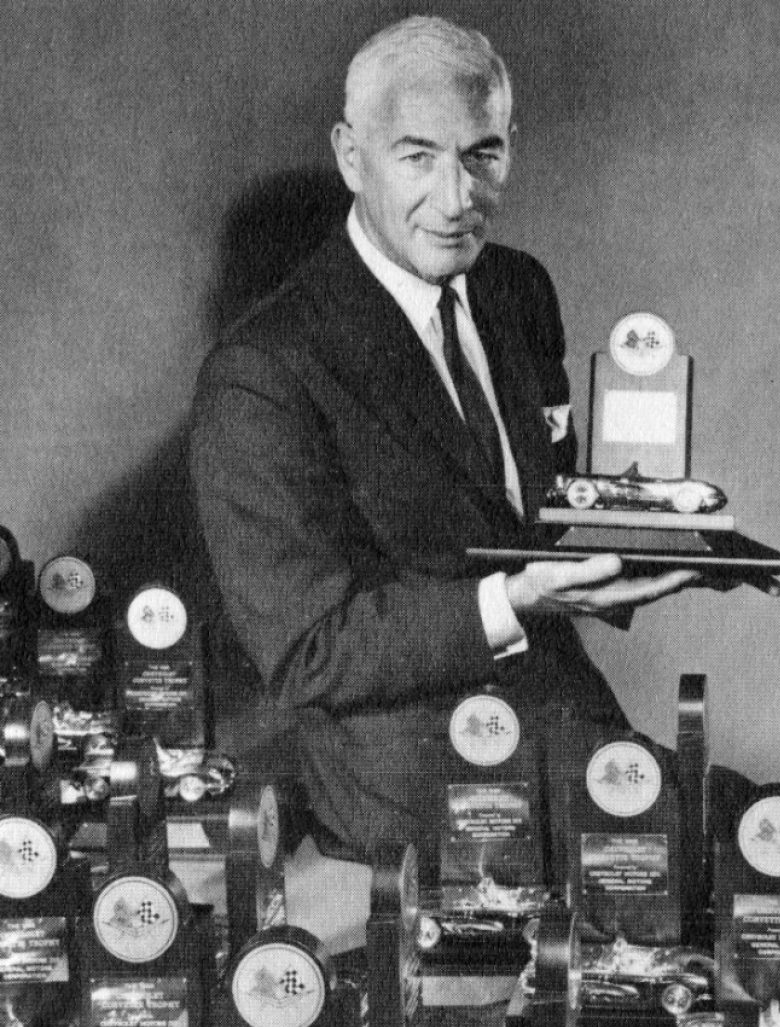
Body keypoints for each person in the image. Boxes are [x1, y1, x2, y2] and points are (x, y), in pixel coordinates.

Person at [190, 16, 695, 867]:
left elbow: (544, 506)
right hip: (416, 774)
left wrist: (641, 540)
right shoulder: (262, 370)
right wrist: (521, 598)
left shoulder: (516, 287)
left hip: (565, 720)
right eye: (417, 157)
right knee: (763, 868)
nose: (457, 198)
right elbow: (311, 652)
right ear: (352, 157)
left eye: (482, 155)